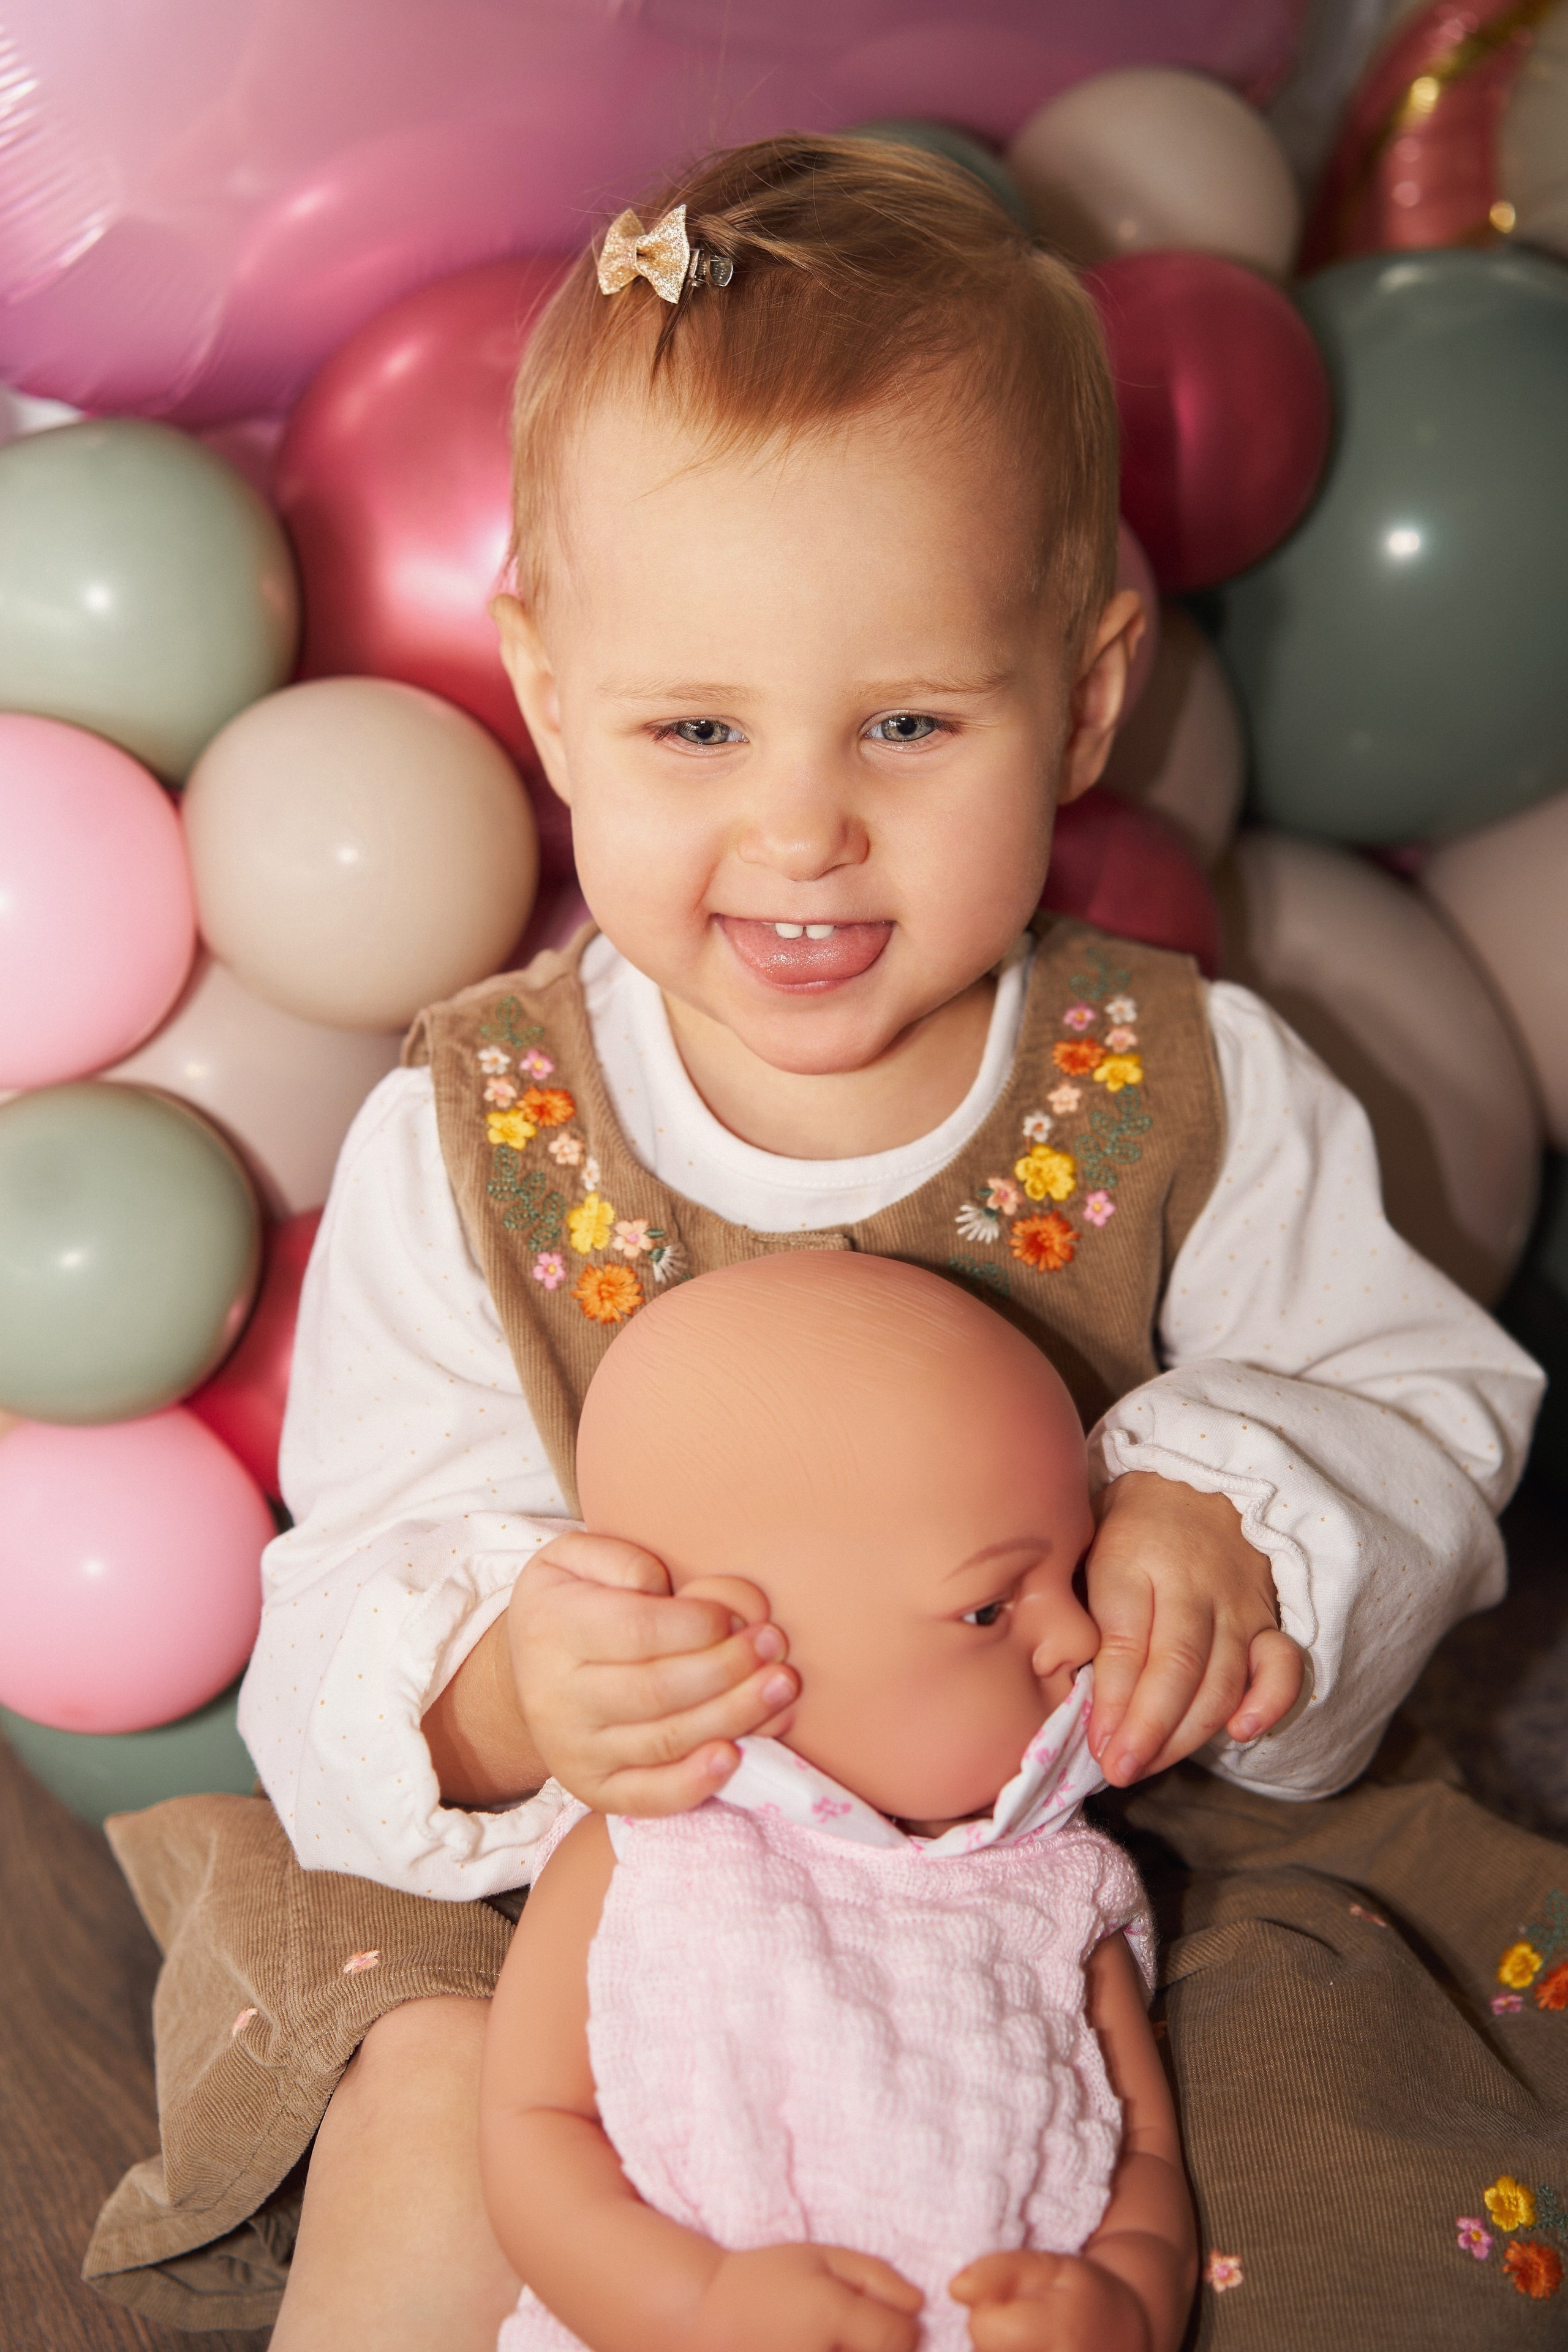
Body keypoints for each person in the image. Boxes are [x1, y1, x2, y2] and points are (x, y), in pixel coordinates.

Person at [85, 137, 1556, 2352]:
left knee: (1329, 2158)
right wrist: (504, 1701)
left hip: (1083, 1875)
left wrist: (1237, 1526)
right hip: (610, 1890)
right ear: (552, 696)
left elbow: (1427, 1403)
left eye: (905, 723)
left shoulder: (1186, 1078)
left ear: (1083, 696)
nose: (801, 829)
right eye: (694, 729)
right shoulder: (477, 1138)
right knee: (420, 2087)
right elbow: (359, 1565)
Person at [482, 1250, 1197, 2352]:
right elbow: (534, 2134)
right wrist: (691, 2307)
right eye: (989, 1608)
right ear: (734, 1647)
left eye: (1076, 1573)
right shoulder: (650, 1853)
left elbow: (1143, 2143)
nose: (1077, 1639)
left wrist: (1128, 2299)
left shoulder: (1062, 1878)